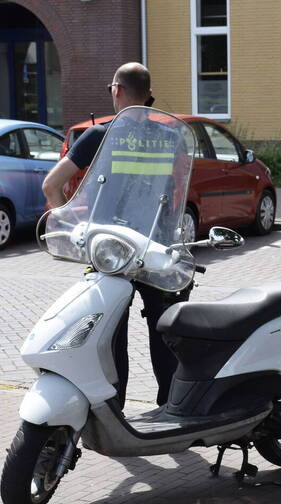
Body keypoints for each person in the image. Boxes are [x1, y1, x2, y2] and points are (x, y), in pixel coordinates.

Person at [42, 62, 190, 408]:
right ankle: (171, 409)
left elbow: (51, 184)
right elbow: (178, 195)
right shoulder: (169, 138)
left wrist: (68, 222)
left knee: (109, 335)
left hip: (110, 253)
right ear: (148, 95)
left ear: (117, 90)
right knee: (165, 332)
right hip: (156, 250)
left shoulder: (97, 136)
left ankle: (114, 408)